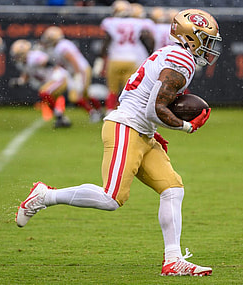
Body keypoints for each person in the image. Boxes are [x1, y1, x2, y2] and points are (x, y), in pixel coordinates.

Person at [16, 9, 222, 277]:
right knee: (111, 198)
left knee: (173, 188)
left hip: (140, 129)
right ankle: (44, 196)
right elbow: (153, 108)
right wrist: (185, 126)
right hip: (127, 126)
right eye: (206, 39)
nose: (210, 46)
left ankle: (173, 260)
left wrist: (152, 131)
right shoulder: (181, 61)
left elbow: (146, 102)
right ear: (190, 37)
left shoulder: (175, 54)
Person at [93, 0, 154, 114]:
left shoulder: (110, 22)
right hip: (132, 59)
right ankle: (127, 112)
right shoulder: (138, 22)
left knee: (112, 89)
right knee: (129, 89)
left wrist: (101, 56)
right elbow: (149, 39)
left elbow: (107, 41)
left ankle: (110, 111)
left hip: (115, 58)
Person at [41, 26, 103, 123]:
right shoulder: (60, 46)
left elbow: (73, 60)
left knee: (77, 96)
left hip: (80, 71)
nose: (48, 41)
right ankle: (98, 111)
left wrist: (78, 75)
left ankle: (94, 113)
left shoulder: (61, 47)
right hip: (75, 71)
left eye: (50, 39)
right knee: (83, 95)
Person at [9, 39, 72, 128]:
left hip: (59, 77)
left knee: (44, 92)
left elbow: (49, 62)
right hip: (53, 79)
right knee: (46, 95)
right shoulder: (23, 63)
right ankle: (61, 118)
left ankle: (60, 117)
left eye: (18, 55)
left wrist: (44, 63)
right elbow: (26, 76)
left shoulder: (34, 57)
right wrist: (19, 82)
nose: (17, 57)